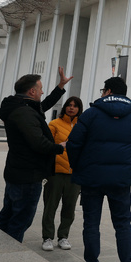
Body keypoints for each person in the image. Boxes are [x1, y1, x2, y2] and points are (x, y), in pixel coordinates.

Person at [67, 76, 131, 262]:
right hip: (120, 181)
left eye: (103, 90)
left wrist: (78, 167)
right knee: (123, 224)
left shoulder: (91, 114)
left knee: (91, 224)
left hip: (91, 179)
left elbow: (73, 143)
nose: (102, 93)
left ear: (109, 91)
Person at [0, 67, 72, 243]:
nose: (42, 92)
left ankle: (0, 248)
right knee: (20, 219)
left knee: (9, 213)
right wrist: (59, 147)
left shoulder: (21, 107)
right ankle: (8, 252)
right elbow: (38, 143)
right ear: (32, 91)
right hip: (27, 175)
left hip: (17, 170)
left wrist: (60, 86)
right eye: (40, 89)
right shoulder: (24, 112)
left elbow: (43, 106)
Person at [42, 96, 84, 252]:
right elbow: (47, 146)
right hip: (56, 173)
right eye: (69, 105)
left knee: (69, 208)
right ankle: (47, 237)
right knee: (50, 207)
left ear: (79, 109)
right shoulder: (54, 124)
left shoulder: (83, 127)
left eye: (75, 106)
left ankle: (63, 236)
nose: (71, 108)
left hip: (75, 174)